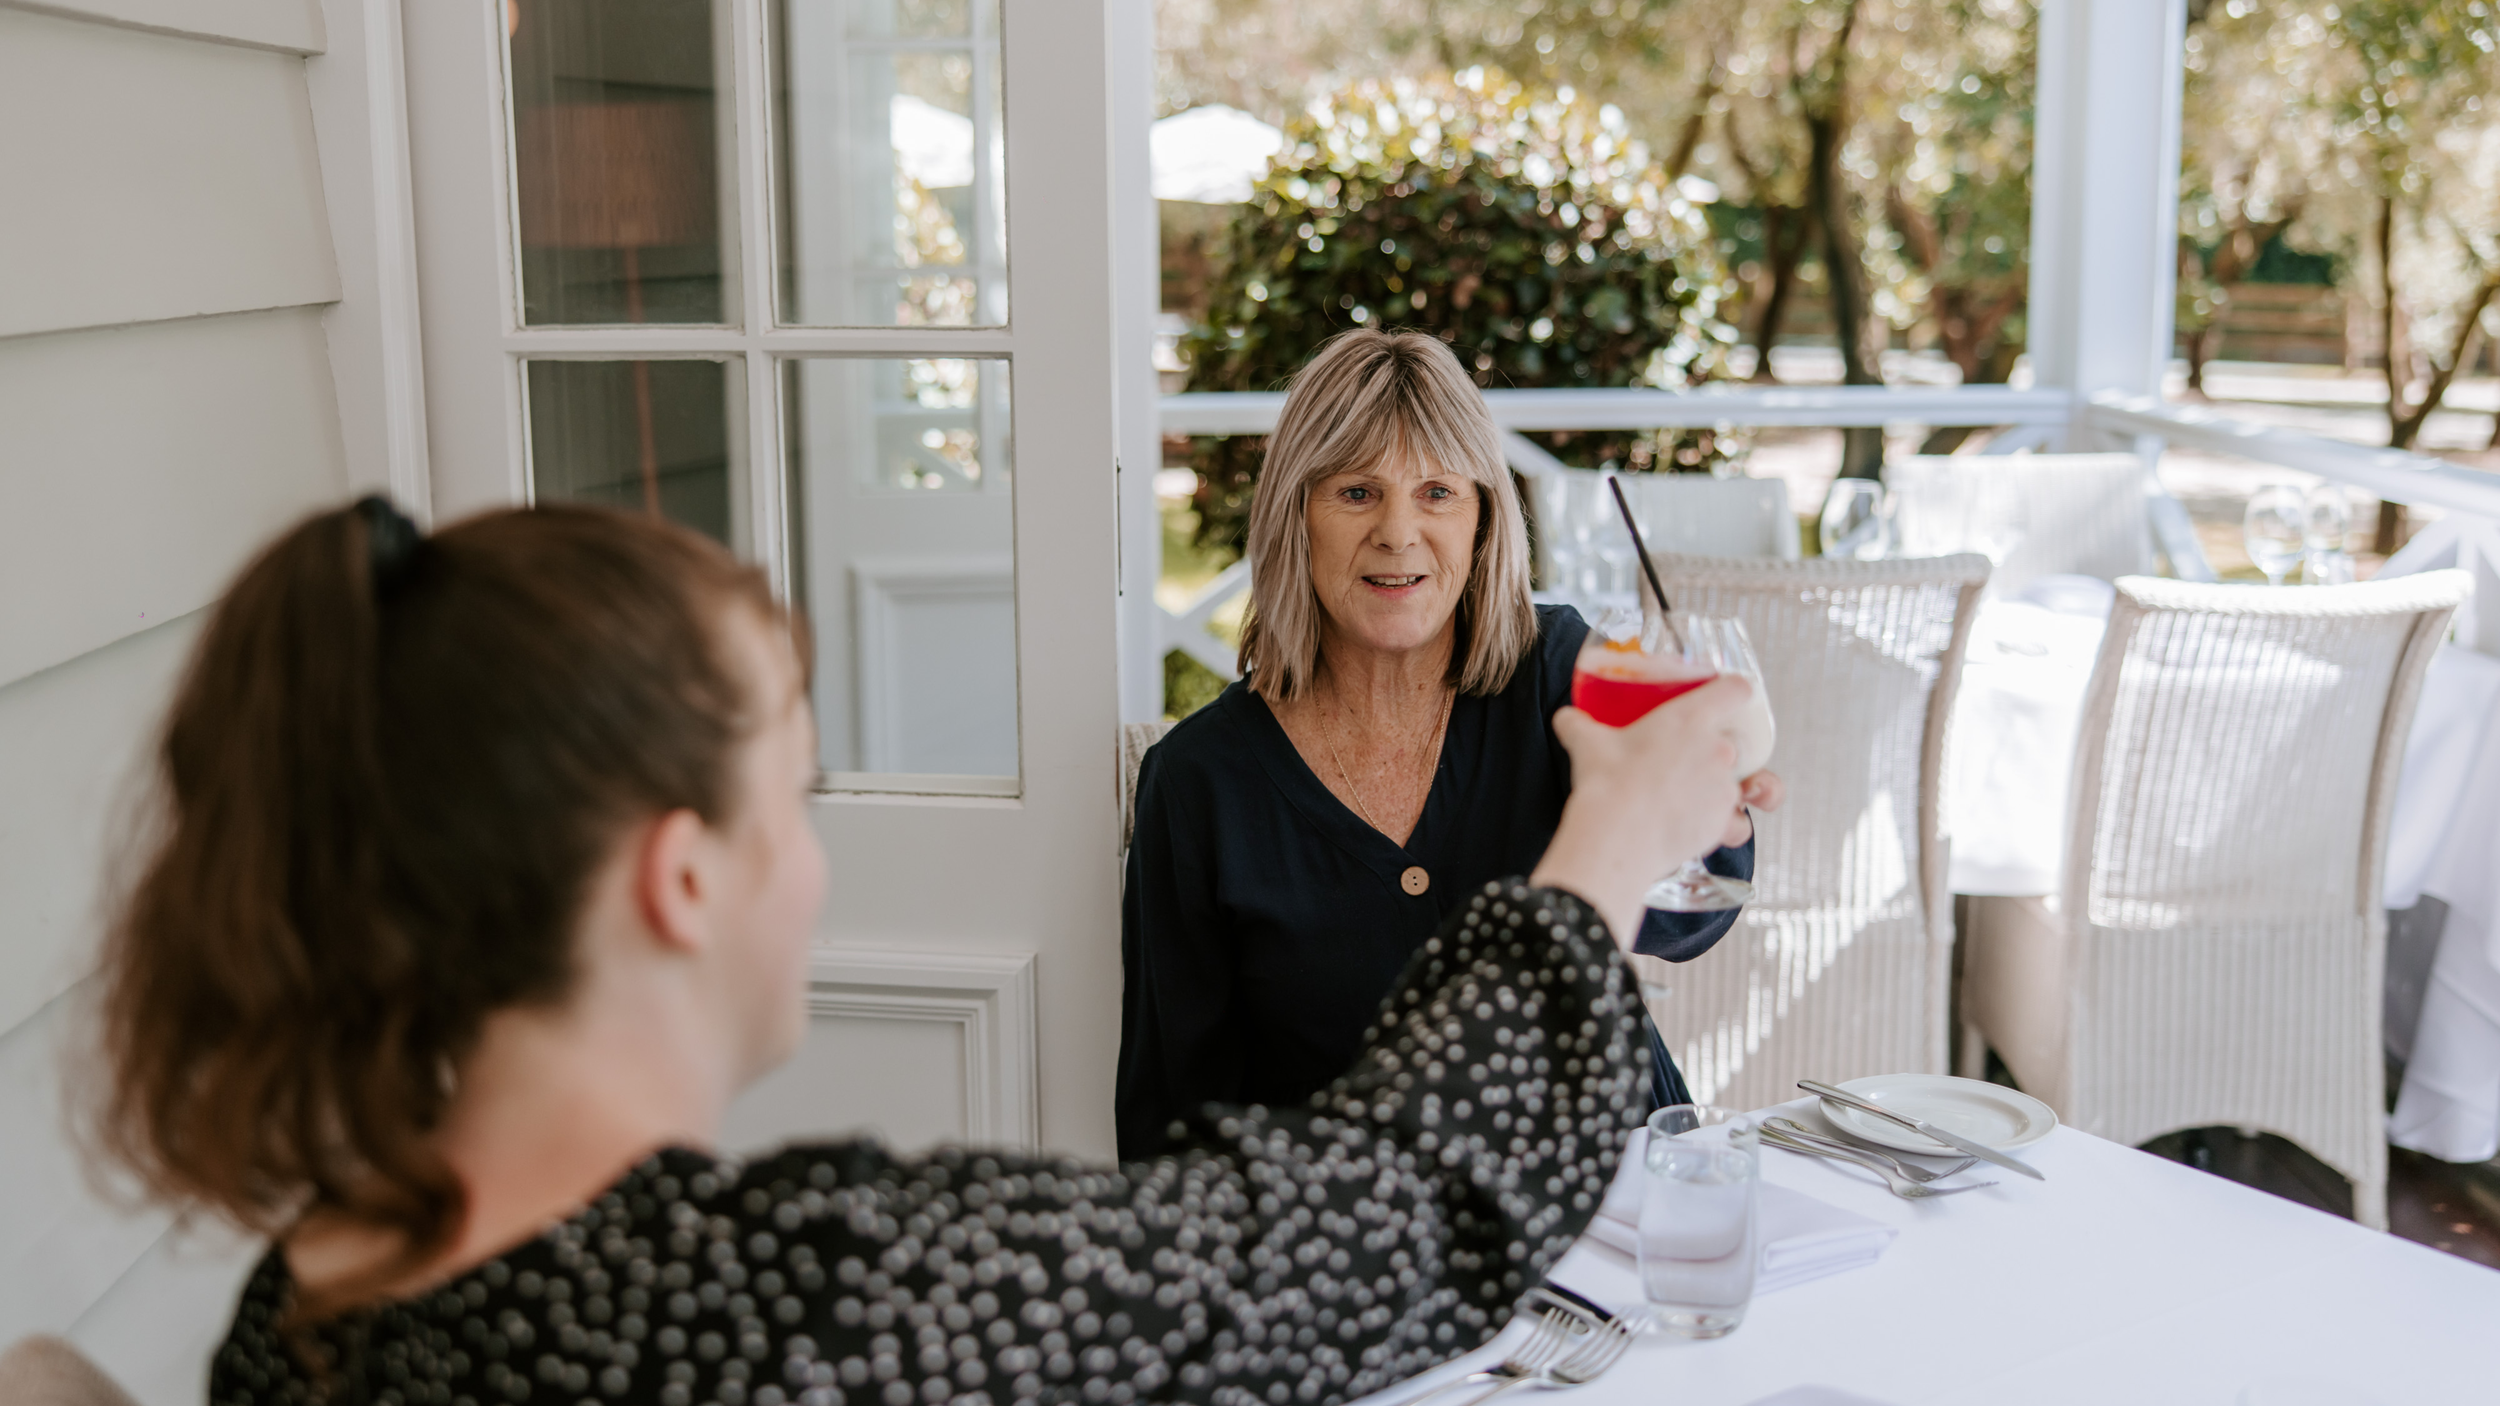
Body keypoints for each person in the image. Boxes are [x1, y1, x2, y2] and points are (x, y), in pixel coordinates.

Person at [86, 496, 1757, 1406]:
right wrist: (1606, 838)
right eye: (787, 799)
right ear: (682, 879)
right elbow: (1379, 1232)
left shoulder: (303, 1298)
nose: (811, 862)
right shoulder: (799, 1303)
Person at [1118, 330, 1782, 1161]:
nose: (1400, 533)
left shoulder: (1563, 674)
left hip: (1621, 1184)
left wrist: (1710, 827)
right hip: (1369, 1241)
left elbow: (1679, 927)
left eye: (1437, 491)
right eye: (1357, 492)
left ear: (1481, 519)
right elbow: (1172, 1119)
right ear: (1297, 515)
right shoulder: (1196, 784)